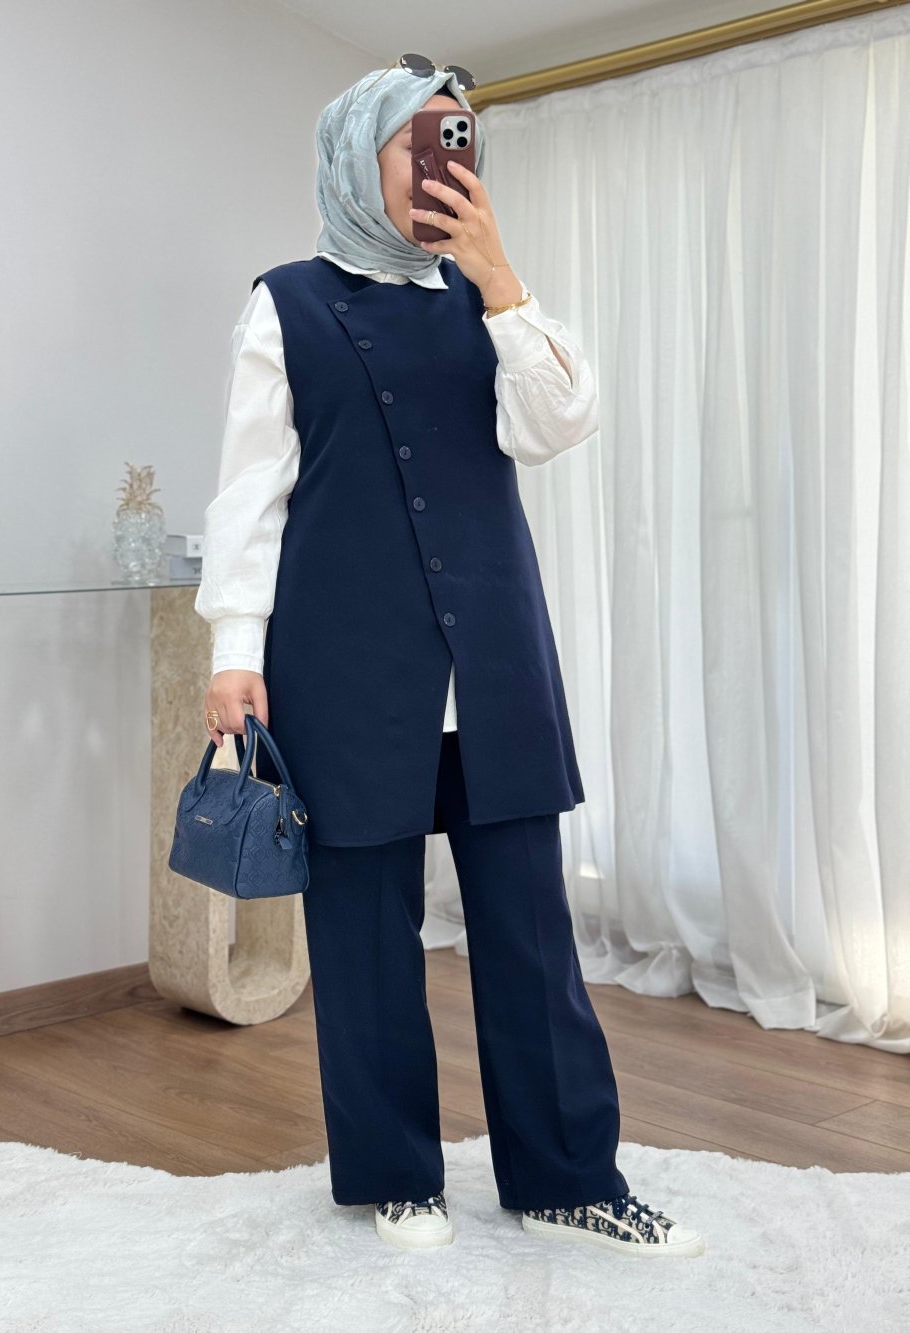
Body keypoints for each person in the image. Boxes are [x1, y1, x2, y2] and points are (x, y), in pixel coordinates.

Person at [194, 58, 705, 1258]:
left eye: (459, 140)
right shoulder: (284, 304)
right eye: (417, 140)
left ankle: (568, 1176)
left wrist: (500, 278)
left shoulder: (489, 296)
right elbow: (250, 493)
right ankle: (393, 1175)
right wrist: (232, 649)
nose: (444, 162)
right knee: (363, 931)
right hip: (344, 660)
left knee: (530, 929)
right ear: (357, 155)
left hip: (493, 662)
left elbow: (557, 424)